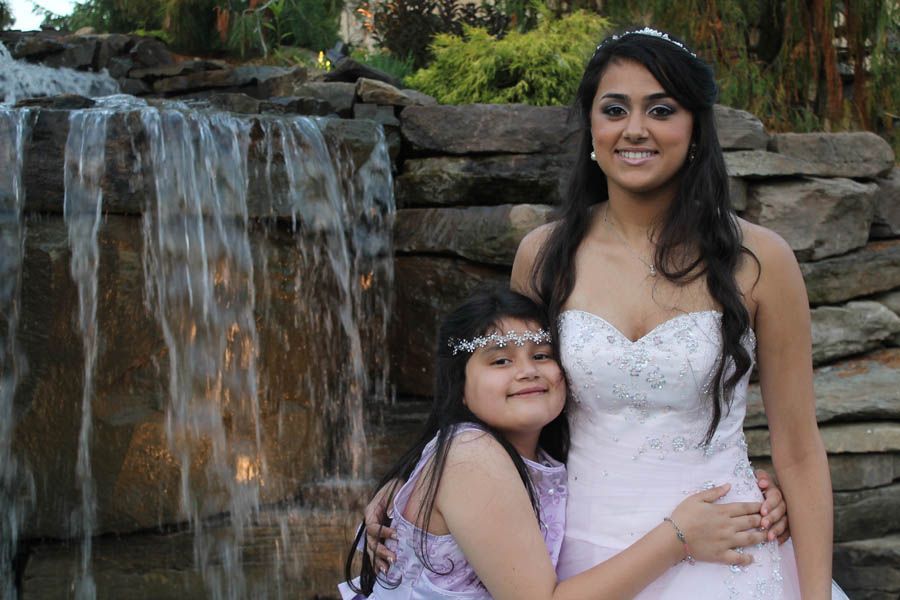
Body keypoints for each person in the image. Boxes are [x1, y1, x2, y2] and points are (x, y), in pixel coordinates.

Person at [507, 28, 839, 598]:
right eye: (615, 109)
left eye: (661, 109)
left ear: (695, 129)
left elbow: (800, 450)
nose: (635, 129)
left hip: (730, 545)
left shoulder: (760, 260)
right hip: (577, 551)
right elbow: (499, 407)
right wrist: (416, 487)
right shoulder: (544, 255)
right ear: (592, 127)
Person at [343, 287, 785, 599]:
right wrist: (678, 538)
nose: (527, 371)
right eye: (500, 360)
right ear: (458, 386)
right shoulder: (472, 456)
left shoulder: (532, 453)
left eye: (541, 355)